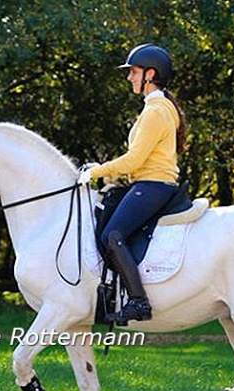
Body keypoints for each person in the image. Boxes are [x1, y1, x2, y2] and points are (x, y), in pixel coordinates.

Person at [78, 43, 187, 325]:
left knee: (113, 235)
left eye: (134, 72)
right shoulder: (156, 108)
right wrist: (101, 171)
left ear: (150, 74)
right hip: (147, 183)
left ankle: (139, 302)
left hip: (153, 184)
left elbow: (134, 160)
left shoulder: (155, 111)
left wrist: (95, 172)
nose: (130, 78)